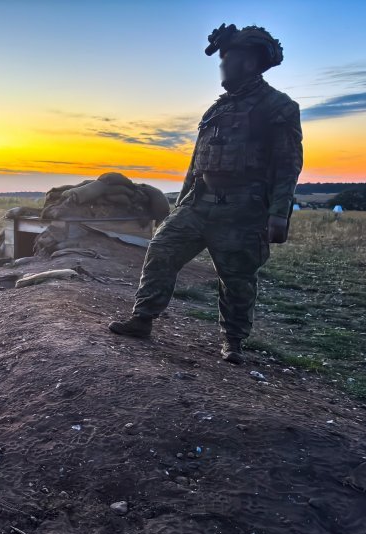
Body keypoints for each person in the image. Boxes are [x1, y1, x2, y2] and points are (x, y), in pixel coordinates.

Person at [109, 24, 303, 365]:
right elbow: (196, 163)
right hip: (199, 203)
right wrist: (181, 204)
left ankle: (234, 342)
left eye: (227, 60)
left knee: (237, 279)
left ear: (248, 62)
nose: (222, 67)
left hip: (243, 210)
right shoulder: (217, 109)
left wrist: (278, 213)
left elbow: (288, 164)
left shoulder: (278, 106)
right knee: (161, 249)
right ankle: (142, 319)